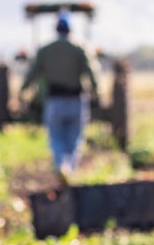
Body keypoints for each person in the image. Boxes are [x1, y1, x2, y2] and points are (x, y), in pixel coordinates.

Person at [21, 12, 99, 180]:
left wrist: (23, 91)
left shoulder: (45, 50)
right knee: (74, 138)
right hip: (76, 100)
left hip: (54, 101)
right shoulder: (79, 48)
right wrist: (95, 91)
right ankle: (69, 169)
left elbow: (32, 73)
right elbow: (91, 72)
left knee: (56, 137)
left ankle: (60, 165)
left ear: (56, 29)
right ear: (70, 30)